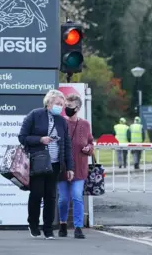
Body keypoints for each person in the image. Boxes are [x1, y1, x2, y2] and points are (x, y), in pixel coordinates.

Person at [18, 89, 74, 240]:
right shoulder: (35, 115)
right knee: (36, 194)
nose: (60, 107)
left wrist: (70, 167)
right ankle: (33, 225)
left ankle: (48, 229)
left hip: (55, 164)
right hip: (38, 162)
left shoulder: (62, 121)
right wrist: (40, 140)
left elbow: (67, 145)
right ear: (48, 103)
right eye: (57, 104)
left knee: (51, 197)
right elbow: (22, 137)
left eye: (62, 105)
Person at [57, 93, 93, 239]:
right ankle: (63, 224)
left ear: (77, 108)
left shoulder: (85, 124)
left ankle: (78, 227)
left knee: (77, 196)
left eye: (69, 106)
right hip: (62, 167)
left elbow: (90, 141)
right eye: (65, 106)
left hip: (80, 167)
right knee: (64, 198)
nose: (66, 108)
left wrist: (88, 148)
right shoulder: (60, 122)